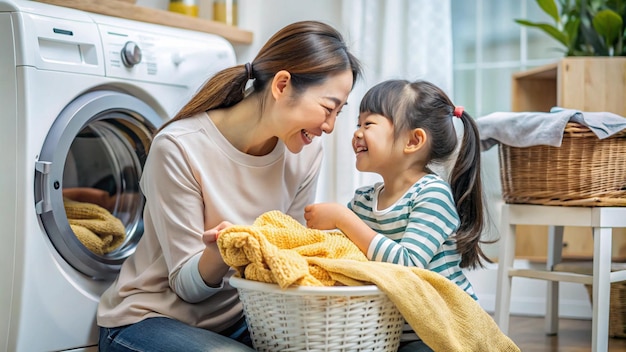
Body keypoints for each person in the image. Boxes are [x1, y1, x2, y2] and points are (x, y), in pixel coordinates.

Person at [97, 20, 362, 352]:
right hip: (148, 320)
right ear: (282, 85)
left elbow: (290, 253)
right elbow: (186, 288)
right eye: (328, 108)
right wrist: (220, 251)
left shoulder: (305, 154)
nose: (330, 126)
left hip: (242, 319)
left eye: (339, 112)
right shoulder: (179, 148)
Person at [303, 79, 493, 352]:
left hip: (443, 331)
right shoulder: (364, 200)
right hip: (392, 331)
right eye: (358, 124)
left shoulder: (431, 194)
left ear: (413, 140)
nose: (357, 133)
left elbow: (408, 263)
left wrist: (341, 219)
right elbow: (345, 253)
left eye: (368, 124)